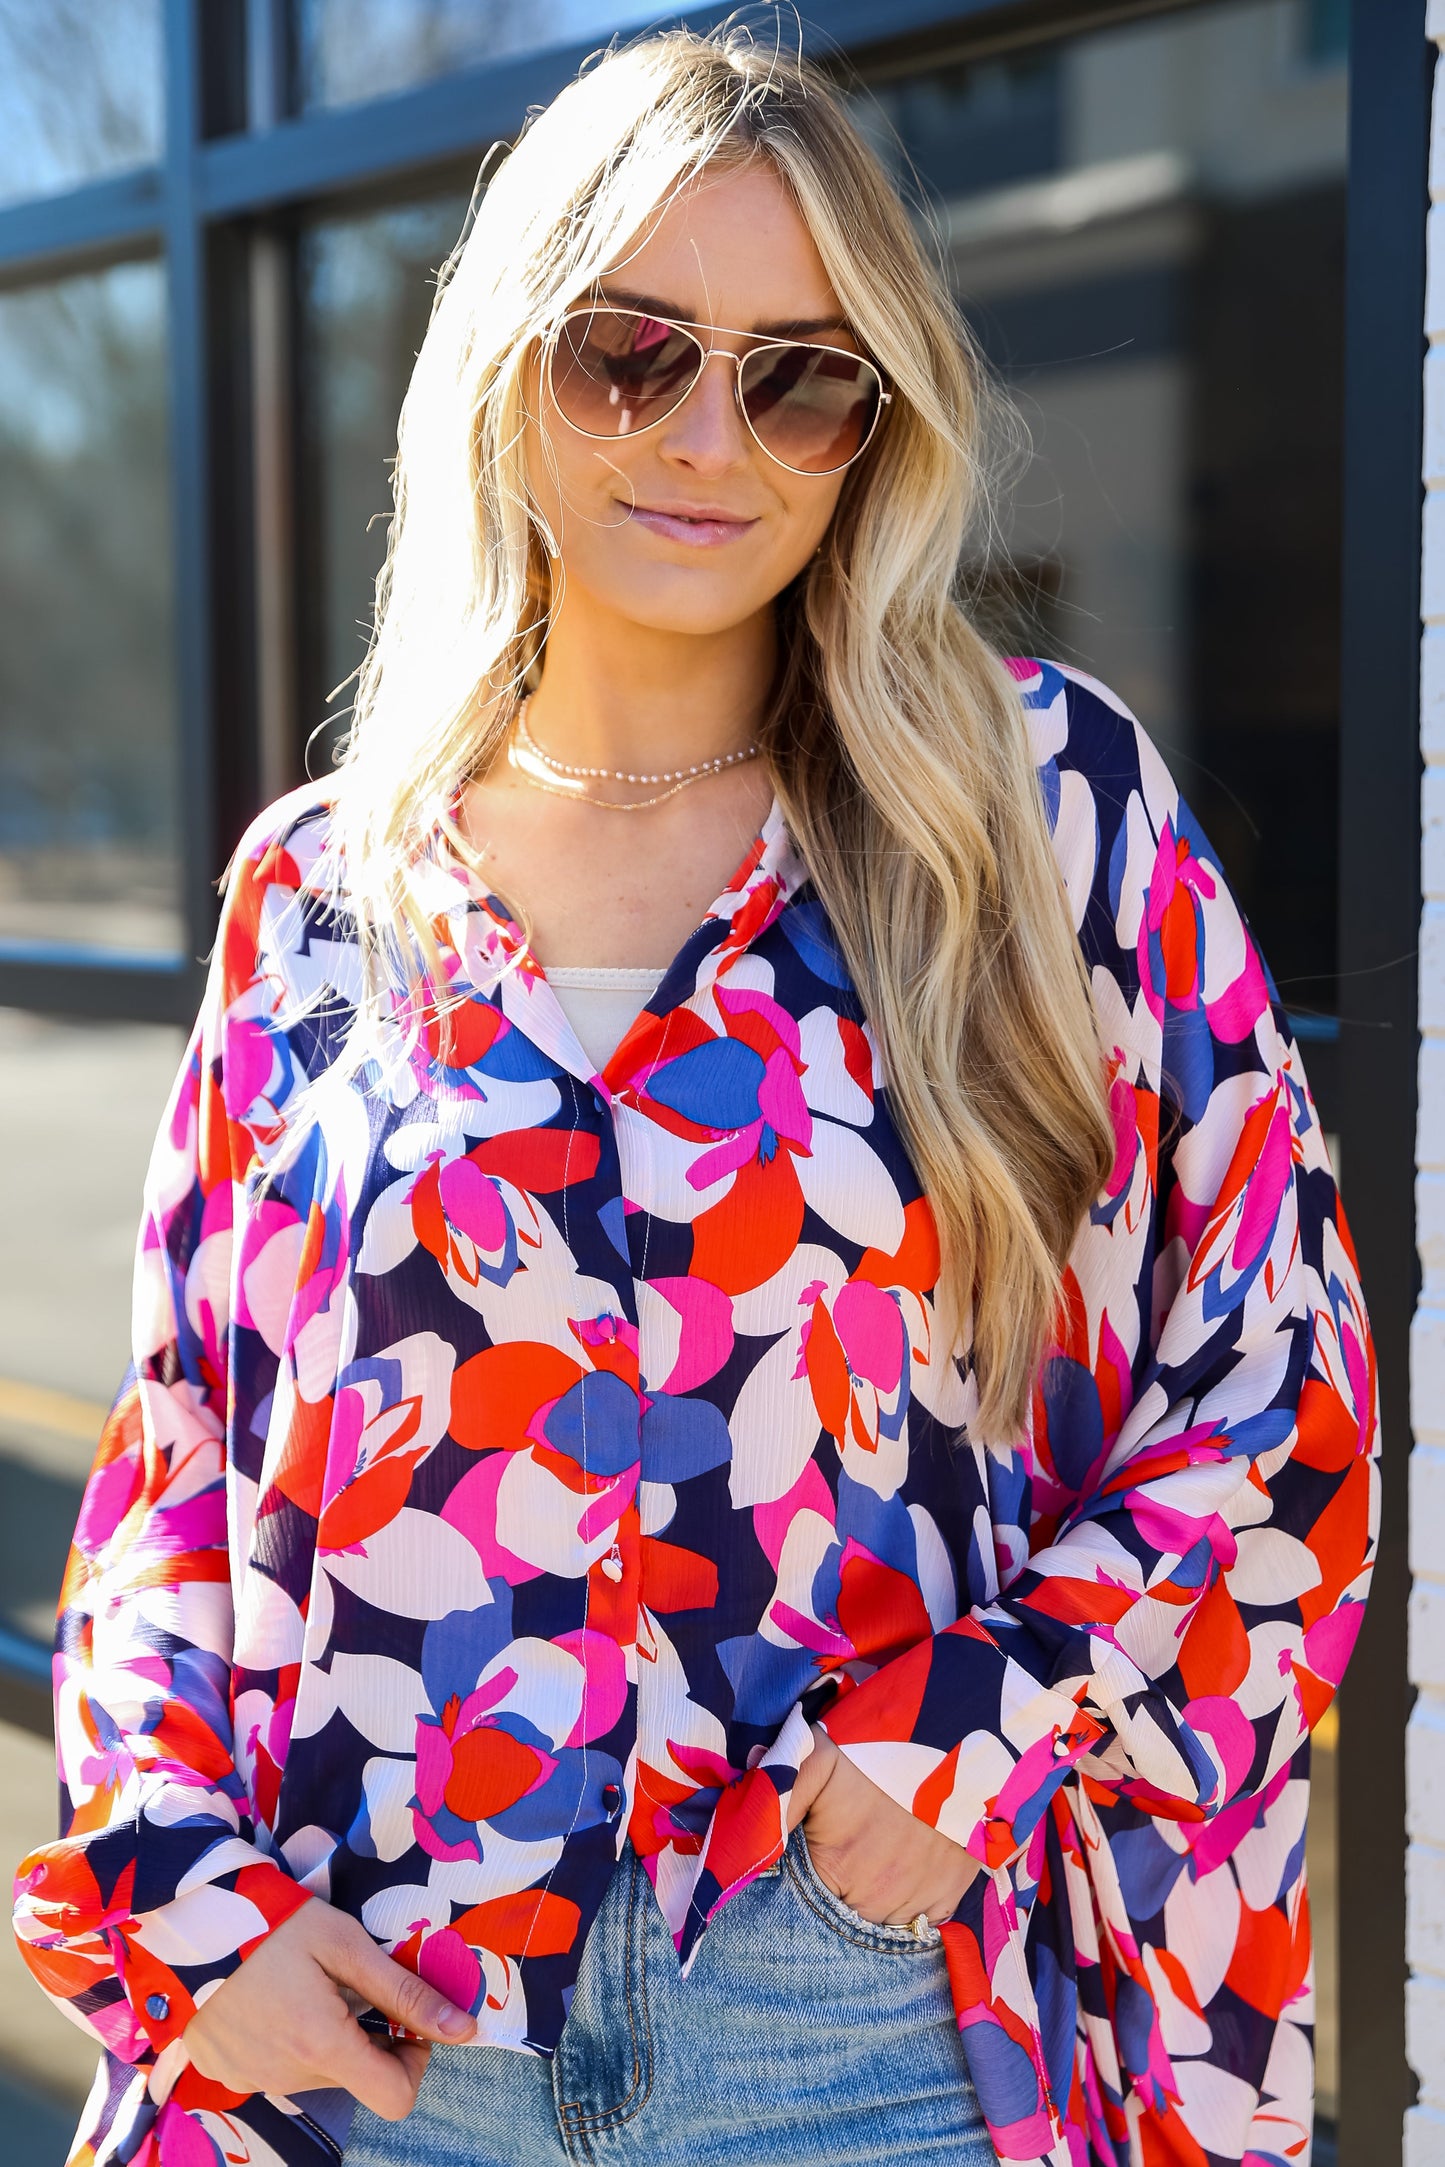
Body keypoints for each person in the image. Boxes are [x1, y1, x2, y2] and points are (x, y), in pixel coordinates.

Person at [13, 26, 1376, 2167]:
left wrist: (984, 1726)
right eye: (628, 351)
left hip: (869, 2043)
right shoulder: (321, 884)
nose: (706, 435)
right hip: (372, 2041)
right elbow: (178, 1468)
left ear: (874, 422)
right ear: (506, 368)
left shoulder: (1033, 811)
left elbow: (1278, 1384)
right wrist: (186, 1895)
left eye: (798, 373)